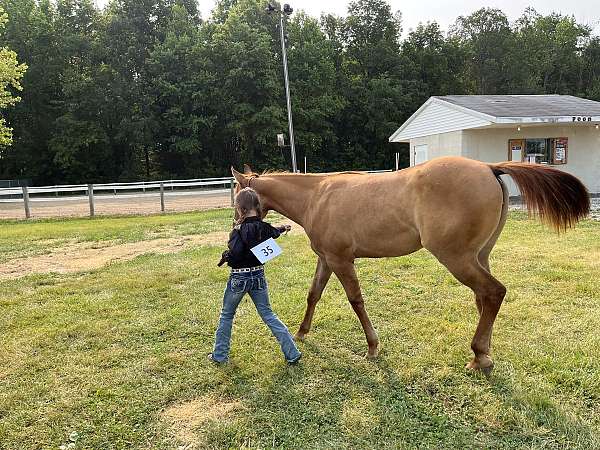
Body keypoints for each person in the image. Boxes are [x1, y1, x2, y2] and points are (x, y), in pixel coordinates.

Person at [209, 187, 302, 365]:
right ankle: (292, 352)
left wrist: (226, 255)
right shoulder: (264, 227)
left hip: (239, 278)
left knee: (227, 315)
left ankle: (220, 356)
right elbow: (274, 231)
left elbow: (235, 253)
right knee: (268, 314)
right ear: (257, 206)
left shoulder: (238, 229)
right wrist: (284, 227)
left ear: (240, 208)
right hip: (258, 276)